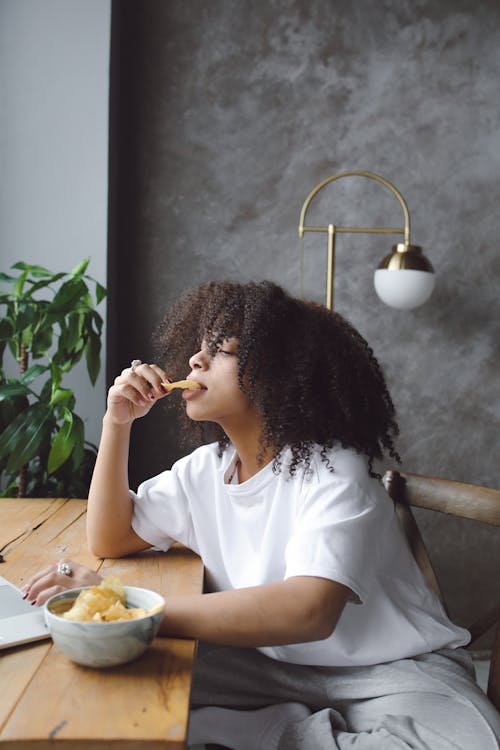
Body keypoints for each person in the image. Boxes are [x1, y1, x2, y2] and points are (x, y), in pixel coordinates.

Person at [23, 281, 500, 750]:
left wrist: (128, 605)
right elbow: (112, 537)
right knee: (120, 688)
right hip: (265, 668)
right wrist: (116, 422)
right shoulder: (203, 471)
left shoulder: (335, 470)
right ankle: (290, 729)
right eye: (198, 348)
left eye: (222, 350)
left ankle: (263, 732)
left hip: (392, 672)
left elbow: (308, 611)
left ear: (279, 373)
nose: (195, 361)